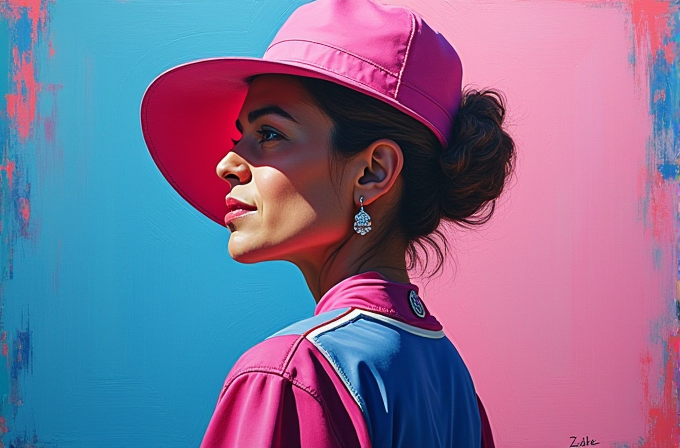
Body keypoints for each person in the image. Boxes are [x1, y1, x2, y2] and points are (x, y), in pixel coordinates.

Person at [141, 0, 515, 446]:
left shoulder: (290, 372)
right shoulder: (457, 390)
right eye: (239, 136)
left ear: (372, 172)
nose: (227, 164)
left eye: (270, 134)